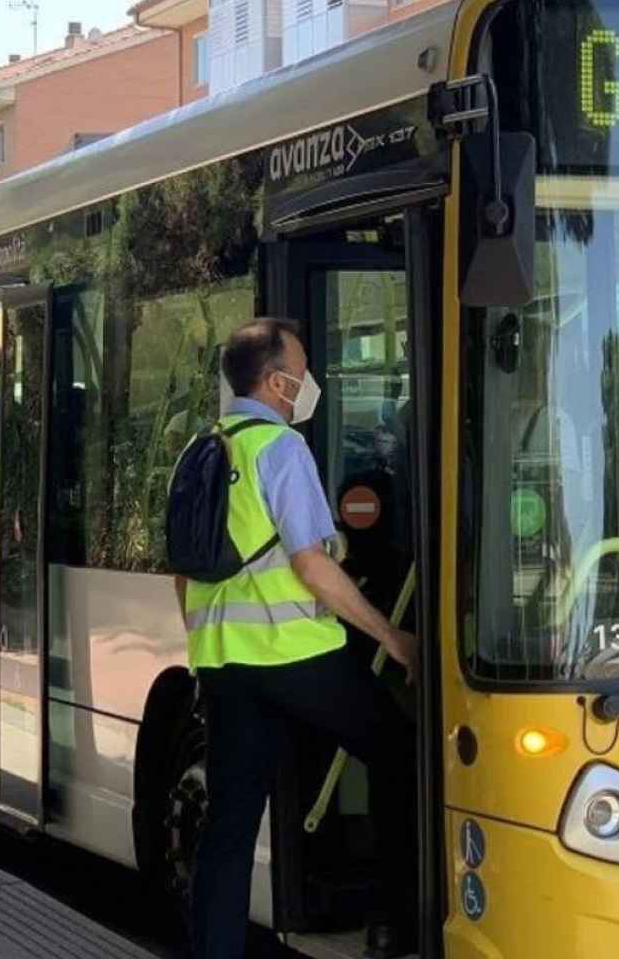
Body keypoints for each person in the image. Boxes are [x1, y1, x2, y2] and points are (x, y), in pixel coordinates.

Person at [176, 318, 419, 959]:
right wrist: (391, 636)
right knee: (399, 752)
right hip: (296, 656)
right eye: (302, 372)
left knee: (229, 827)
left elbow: (185, 570)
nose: (308, 383)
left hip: (223, 663)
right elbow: (311, 565)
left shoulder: (200, 449)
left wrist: (203, 651)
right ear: (277, 382)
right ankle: (394, 921)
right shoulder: (280, 449)